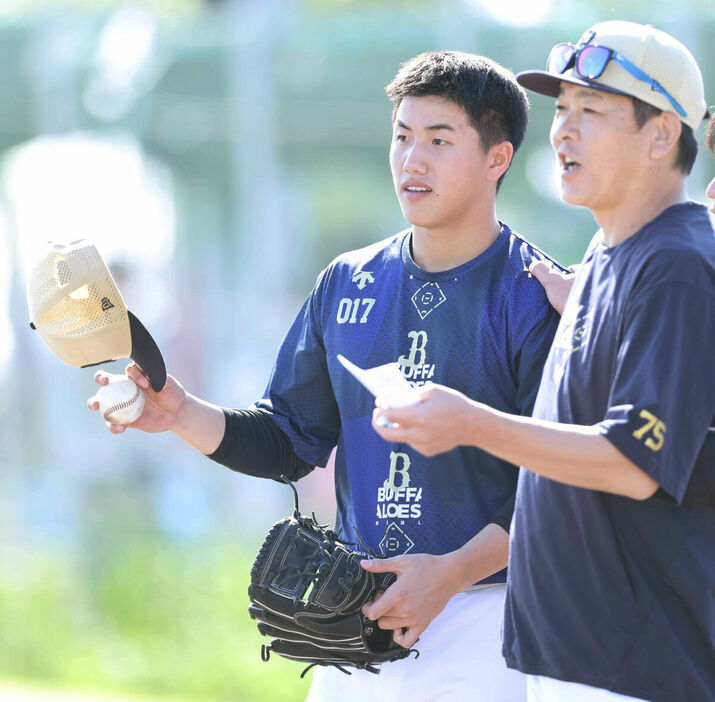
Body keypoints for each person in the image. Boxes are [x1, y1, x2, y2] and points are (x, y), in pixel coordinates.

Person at [89, 51, 561, 700]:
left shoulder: (535, 293)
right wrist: (179, 414)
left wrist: (450, 573)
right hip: (355, 620)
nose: (410, 160)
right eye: (401, 136)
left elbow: (555, 481)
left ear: (496, 159)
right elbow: (289, 440)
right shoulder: (347, 284)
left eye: (438, 140)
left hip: (487, 623)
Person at [371, 21, 714, 702]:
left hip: (639, 666)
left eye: (592, 113)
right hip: (581, 662)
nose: (563, 131)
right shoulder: (608, 261)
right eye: (561, 110)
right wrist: (585, 301)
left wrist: (471, 423)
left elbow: (631, 463)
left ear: (660, 136)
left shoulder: (675, 265)